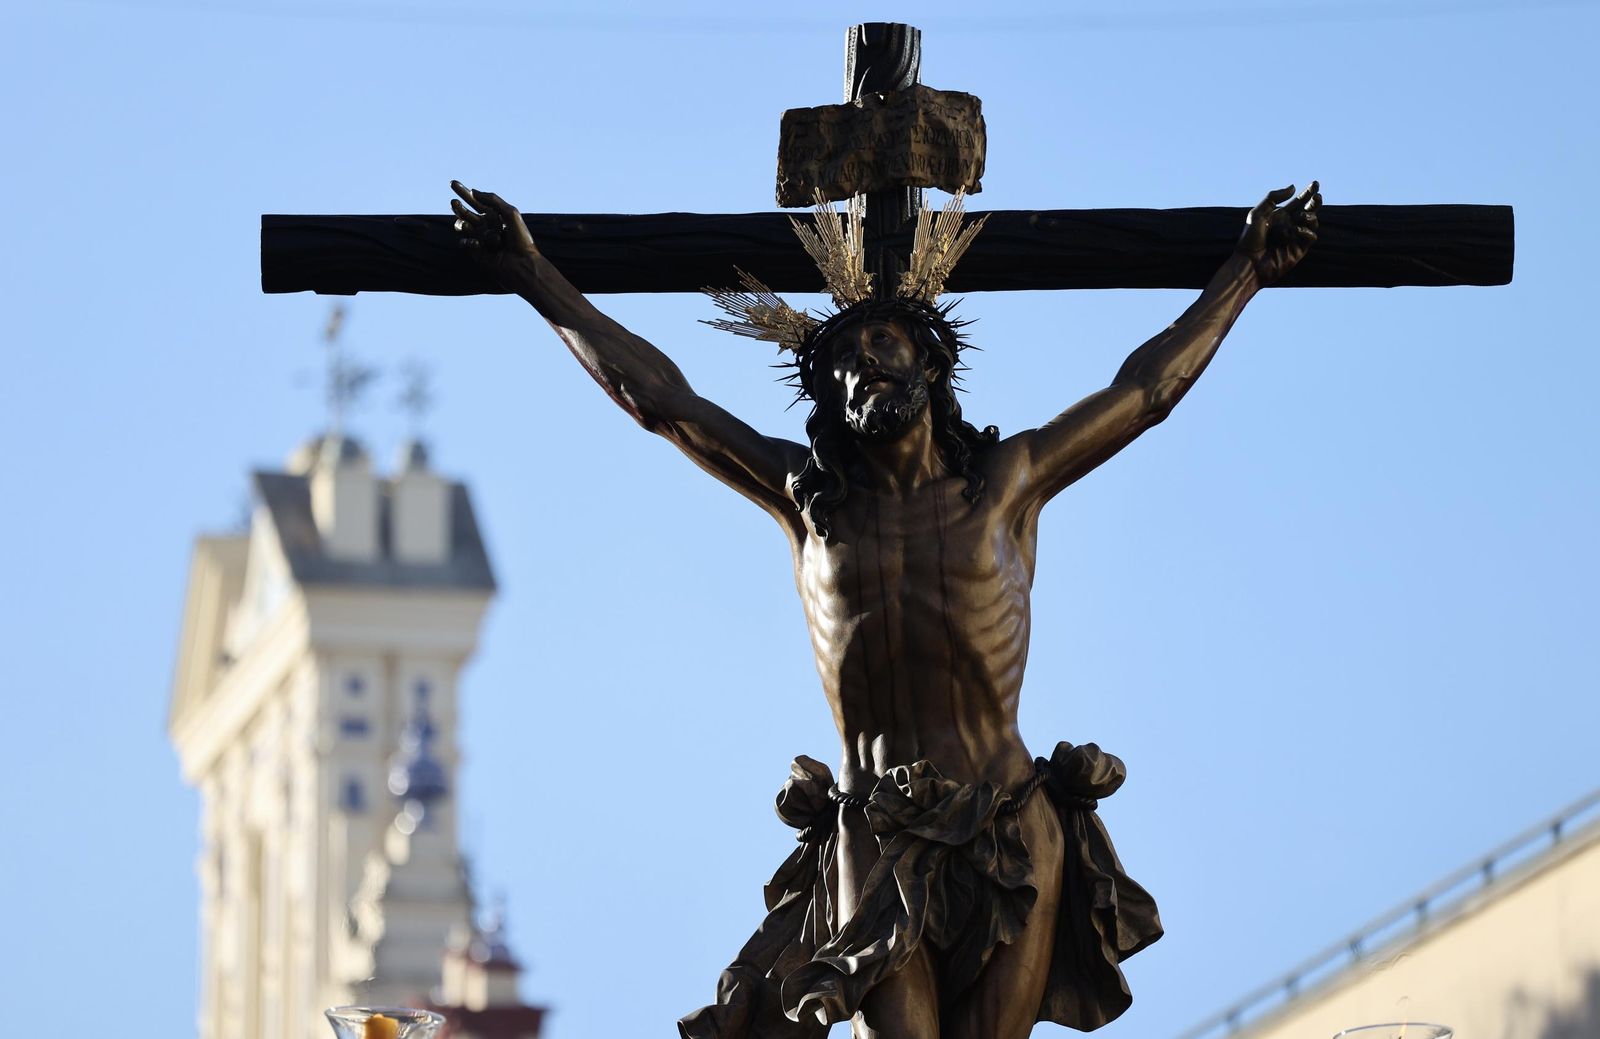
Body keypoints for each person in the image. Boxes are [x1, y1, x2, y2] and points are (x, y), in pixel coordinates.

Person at [450, 179, 1320, 1039]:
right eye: (838, 363)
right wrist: (534, 276)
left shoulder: (1004, 484)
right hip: (875, 828)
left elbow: (1145, 392)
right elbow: (664, 403)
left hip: (1011, 823)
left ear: (929, 358)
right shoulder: (809, 501)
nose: (858, 363)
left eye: (878, 341)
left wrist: (1247, 268)